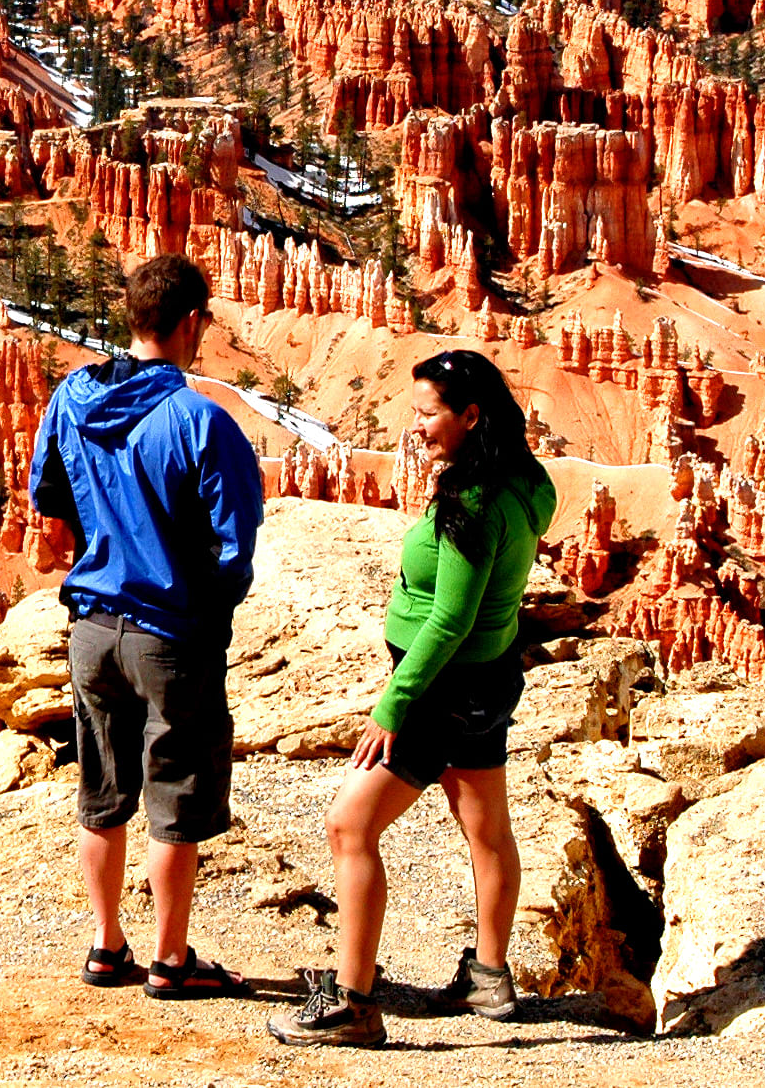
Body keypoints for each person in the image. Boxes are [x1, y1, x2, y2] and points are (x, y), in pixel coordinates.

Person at [269, 348, 558, 1048]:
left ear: (470, 415)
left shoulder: (471, 499)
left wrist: (395, 702)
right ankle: (489, 975)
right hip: (490, 679)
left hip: (441, 689)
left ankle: (353, 1002)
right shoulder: (526, 478)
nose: (417, 427)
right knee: (485, 827)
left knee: (350, 826)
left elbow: (451, 618)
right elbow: (492, 600)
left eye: (428, 413)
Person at [28, 253, 264, 999]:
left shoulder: (71, 397)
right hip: (171, 631)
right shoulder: (200, 419)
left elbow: (45, 491)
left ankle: (106, 945)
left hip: (92, 623)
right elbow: (236, 543)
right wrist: (207, 606)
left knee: (102, 789)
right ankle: (170, 958)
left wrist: (107, 532)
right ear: (191, 321)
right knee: (176, 797)